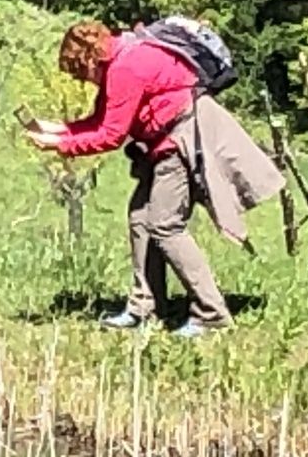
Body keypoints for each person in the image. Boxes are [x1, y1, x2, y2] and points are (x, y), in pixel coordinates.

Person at [24, 19, 282, 338]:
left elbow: (111, 135)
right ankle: (145, 307)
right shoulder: (122, 57)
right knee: (140, 219)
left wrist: (61, 146)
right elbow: (101, 120)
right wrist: (59, 131)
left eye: (81, 73)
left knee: (165, 225)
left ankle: (212, 314)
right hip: (163, 142)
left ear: (89, 59)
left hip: (179, 140)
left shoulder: (125, 68)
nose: (84, 81)